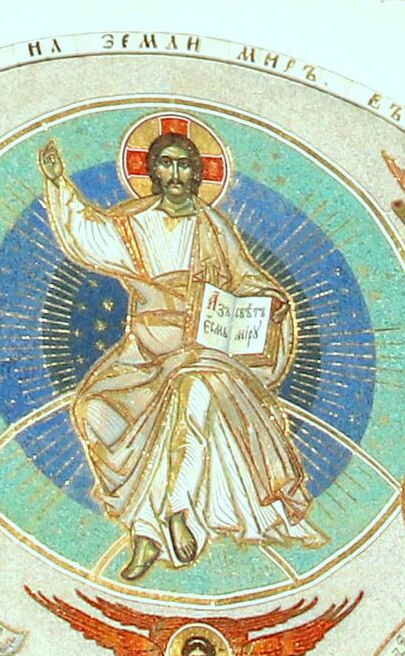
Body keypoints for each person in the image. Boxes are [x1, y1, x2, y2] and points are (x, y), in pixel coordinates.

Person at [36, 119, 319, 574]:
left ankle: (172, 512)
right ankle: (142, 526)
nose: (175, 174)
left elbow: (245, 277)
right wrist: (58, 185)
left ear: (197, 174)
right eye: (165, 164)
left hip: (199, 350)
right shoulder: (133, 223)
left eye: (184, 165)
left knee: (191, 402)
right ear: (152, 172)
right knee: (94, 411)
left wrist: (265, 303)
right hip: (143, 352)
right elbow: (88, 235)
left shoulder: (213, 227)